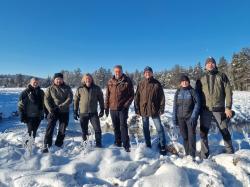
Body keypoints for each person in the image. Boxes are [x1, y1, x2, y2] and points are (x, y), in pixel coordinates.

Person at [198, 57, 234, 159]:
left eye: (212, 63)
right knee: (203, 133)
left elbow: (228, 92)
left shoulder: (222, 76)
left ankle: (230, 152)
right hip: (205, 110)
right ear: (205, 66)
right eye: (208, 63)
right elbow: (197, 95)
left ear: (215, 64)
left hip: (220, 110)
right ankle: (204, 155)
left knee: (224, 130)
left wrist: (228, 107)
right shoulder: (201, 78)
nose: (210, 64)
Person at [134, 66, 167, 155]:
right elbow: (136, 96)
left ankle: (162, 145)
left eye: (149, 72)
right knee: (145, 128)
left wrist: (161, 108)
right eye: (146, 72)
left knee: (159, 128)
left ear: (152, 73)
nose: (147, 74)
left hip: (154, 109)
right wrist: (136, 108)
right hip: (143, 109)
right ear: (144, 74)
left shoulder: (157, 83)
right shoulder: (141, 83)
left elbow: (162, 97)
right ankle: (148, 144)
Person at [105, 65, 134, 152]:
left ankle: (126, 144)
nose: (117, 73)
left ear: (121, 71)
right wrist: (106, 107)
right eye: (116, 71)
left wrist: (126, 105)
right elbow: (107, 95)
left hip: (122, 109)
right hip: (112, 108)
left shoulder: (127, 81)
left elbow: (132, 95)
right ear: (114, 72)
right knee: (115, 126)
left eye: (119, 71)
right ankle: (118, 142)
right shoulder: (110, 81)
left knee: (123, 126)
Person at [43, 73, 73, 153]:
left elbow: (70, 98)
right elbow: (46, 99)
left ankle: (58, 144)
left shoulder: (67, 88)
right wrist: (50, 109)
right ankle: (46, 145)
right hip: (53, 111)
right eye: (57, 79)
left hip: (64, 111)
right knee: (50, 128)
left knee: (62, 129)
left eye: (60, 79)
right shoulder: (50, 88)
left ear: (62, 80)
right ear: (54, 80)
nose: (58, 80)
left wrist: (61, 106)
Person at [173, 75, 201, 160]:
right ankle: (187, 153)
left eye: (186, 81)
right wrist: (174, 117)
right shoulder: (178, 92)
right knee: (184, 136)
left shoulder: (192, 91)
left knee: (191, 136)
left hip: (190, 118)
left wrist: (193, 116)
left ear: (188, 82)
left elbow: (197, 104)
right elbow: (175, 106)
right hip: (180, 118)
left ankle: (192, 155)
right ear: (180, 83)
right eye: (182, 81)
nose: (184, 82)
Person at [74, 74, 104, 147]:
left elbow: (101, 100)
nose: (88, 80)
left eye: (89, 79)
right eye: (86, 79)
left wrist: (102, 109)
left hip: (93, 113)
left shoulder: (96, 88)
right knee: (84, 130)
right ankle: (85, 143)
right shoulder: (80, 89)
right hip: (83, 113)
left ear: (92, 79)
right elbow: (76, 101)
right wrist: (75, 111)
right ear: (84, 80)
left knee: (97, 129)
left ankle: (98, 144)